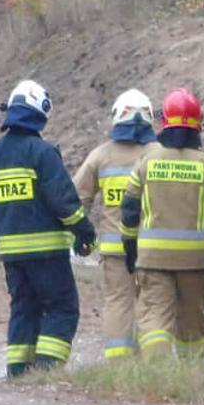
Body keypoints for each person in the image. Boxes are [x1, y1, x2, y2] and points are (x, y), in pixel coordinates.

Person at [0, 80, 94, 378]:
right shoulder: (42, 153)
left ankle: (18, 372)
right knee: (62, 307)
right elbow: (64, 201)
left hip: (12, 256)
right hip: (47, 253)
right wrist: (84, 231)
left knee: (23, 309)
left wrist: (1, 243)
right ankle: (47, 371)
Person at [119, 89, 204, 360]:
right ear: (198, 124)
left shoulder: (146, 163)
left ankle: (158, 370)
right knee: (191, 321)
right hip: (195, 263)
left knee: (154, 317)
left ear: (164, 122)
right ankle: (190, 372)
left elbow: (129, 210)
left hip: (152, 259)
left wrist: (129, 246)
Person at [71, 89, 155, 361]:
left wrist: (80, 234)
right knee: (153, 305)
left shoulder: (100, 156)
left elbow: (77, 199)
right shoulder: (160, 154)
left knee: (119, 302)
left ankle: (119, 362)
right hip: (154, 247)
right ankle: (151, 362)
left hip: (115, 249)